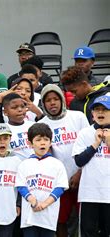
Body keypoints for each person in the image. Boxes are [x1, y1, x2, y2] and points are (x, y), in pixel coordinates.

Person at [38, 84, 88, 237]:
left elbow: (89, 146)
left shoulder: (78, 117)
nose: (52, 103)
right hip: (59, 183)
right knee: (60, 220)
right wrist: (61, 180)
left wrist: (80, 173)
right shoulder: (41, 125)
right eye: (48, 100)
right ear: (43, 104)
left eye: (55, 99)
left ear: (62, 99)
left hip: (83, 178)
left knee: (84, 219)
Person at [16, 123, 68, 237]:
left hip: (48, 216)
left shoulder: (57, 164)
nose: (42, 142)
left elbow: (60, 187)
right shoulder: (24, 164)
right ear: (30, 143)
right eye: (38, 140)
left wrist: (44, 204)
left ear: (50, 142)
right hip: (29, 216)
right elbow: (21, 186)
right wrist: (33, 201)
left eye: (46, 139)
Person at [72, 95, 110, 237]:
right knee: (88, 233)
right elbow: (79, 161)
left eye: (105, 110)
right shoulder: (85, 133)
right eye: (97, 110)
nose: (100, 113)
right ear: (92, 114)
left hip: (109, 194)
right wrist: (95, 144)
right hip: (90, 194)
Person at [0, 93, 35, 159]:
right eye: (15, 107)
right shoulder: (3, 130)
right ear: (5, 112)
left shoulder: (33, 126)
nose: (20, 110)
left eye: (23, 106)